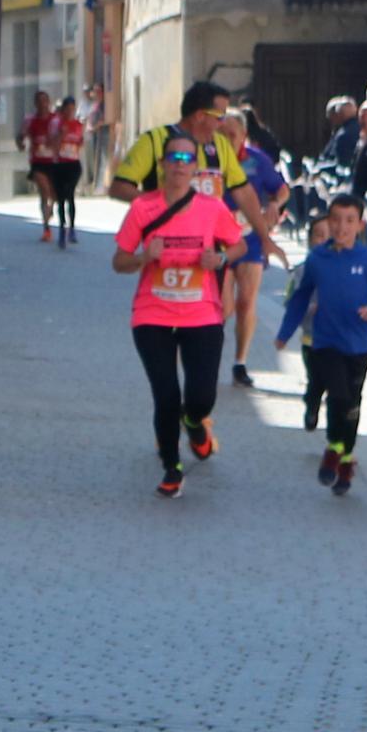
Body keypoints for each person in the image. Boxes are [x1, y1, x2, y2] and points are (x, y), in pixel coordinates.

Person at [116, 134, 252, 497]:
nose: (179, 163)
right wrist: (145, 257)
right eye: (173, 157)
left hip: (201, 314)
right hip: (152, 314)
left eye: (186, 158)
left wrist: (220, 259)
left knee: (201, 396)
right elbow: (119, 261)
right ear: (162, 164)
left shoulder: (211, 208)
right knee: (165, 394)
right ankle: (172, 466)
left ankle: (194, 422)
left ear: (195, 168)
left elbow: (238, 244)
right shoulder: (143, 208)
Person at [280, 191, 367, 495]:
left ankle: (345, 457)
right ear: (329, 223)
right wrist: (285, 331)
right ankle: (333, 448)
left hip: (358, 345)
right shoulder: (319, 259)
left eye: (349, 221)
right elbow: (301, 295)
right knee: (338, 395)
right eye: (336, 220)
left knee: (352, 405)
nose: (342, 227)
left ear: (360, 226)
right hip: (326, 341)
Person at [104, 76, 251, 207]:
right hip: (165, 235)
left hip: (208, 237)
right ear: (200, 115)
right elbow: (118, 188)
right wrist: (162, 206)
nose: (222, 124)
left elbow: (243, 191)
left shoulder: (220, 144)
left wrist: (264, 236)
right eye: (220, 117)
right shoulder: (153, 141)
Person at [225, 108, 290, 389]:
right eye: (222, 134)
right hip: (219, 239)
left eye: (232, 135)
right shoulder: (210, 159)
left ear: (243, 136)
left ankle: (240, 362)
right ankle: (210, 348)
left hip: (250, 237)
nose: (227, 140)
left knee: (246, 301)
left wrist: (275, 204)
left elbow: (282, 188)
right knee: (223, 306)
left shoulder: (257, 160)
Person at [23, 89, 86, 248]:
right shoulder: (39, 121)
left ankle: (65, 225)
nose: (43, 104)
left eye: (46, 101)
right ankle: (50, 229)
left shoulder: (65, 122)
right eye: (40, 101)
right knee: (45, 191)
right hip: (42, 162)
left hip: (62, 163)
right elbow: (29, 136)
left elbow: (79, 142)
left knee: (61, 196)